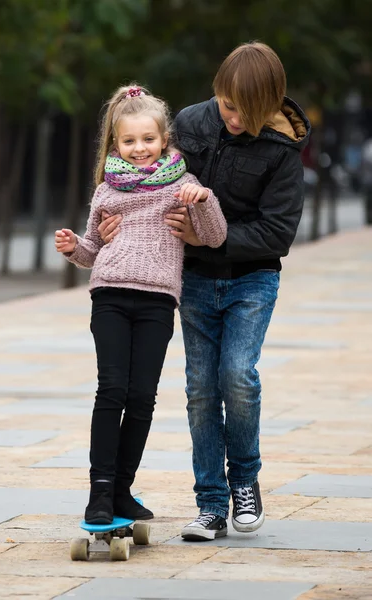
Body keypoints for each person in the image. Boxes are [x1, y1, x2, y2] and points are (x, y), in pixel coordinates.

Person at [98, 42, 311, 541]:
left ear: (272, 103)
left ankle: (245, 481)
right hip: (192, 278)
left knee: (237, 377)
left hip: (252, 278)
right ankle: (211, 503)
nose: (234, 118)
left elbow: (277, 232)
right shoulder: (191, 124)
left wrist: (207, 235)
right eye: (227, 105)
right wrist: (113, 229)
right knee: (200, 391)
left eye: (247, 110)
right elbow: (143, 182)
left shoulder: (283, 149)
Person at [54, 84, 227, 525]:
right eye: (129, 141)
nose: (139, 149)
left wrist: (203, 201)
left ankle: (124, 490)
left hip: (157, 301)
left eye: (147, 140)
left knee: (143, 397)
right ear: (116, 144)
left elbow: (214, 235)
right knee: (112, 389)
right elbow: (93, 250)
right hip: (109, 295)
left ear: (164, 140)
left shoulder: (184, 185)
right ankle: (100, 492)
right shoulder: (108, 191)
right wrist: (76, 246)